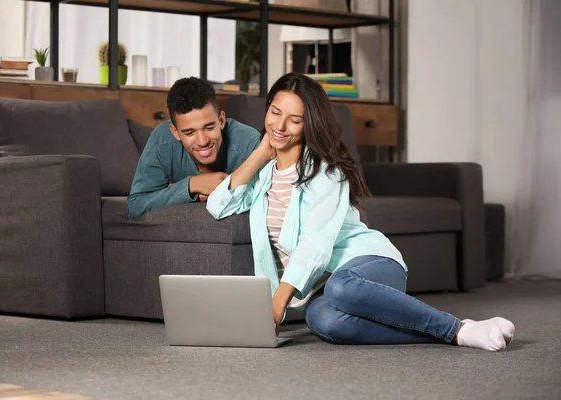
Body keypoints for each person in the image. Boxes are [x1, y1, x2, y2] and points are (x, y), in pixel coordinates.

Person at [206, 72, 515, 351]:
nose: (280, 126)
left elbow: (315, 245)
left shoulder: (326, 173)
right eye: (275, 112)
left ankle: (454, 326)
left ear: (309, 123)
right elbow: (218, 205)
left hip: (372, 267)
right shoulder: (263, 176)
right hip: (325, 290)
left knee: (342, 287)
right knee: (323, 322)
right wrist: (260, 153)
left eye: (294, 119)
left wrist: (278, 301)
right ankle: (459, 333)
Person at [127, 77, 261, 218]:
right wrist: (191, 185)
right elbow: (135, 206)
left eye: (209, 128)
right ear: (175, 132)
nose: (202, 142)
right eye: (190, 133)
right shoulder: (162, 140)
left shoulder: (248, 142)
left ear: (221, 121)